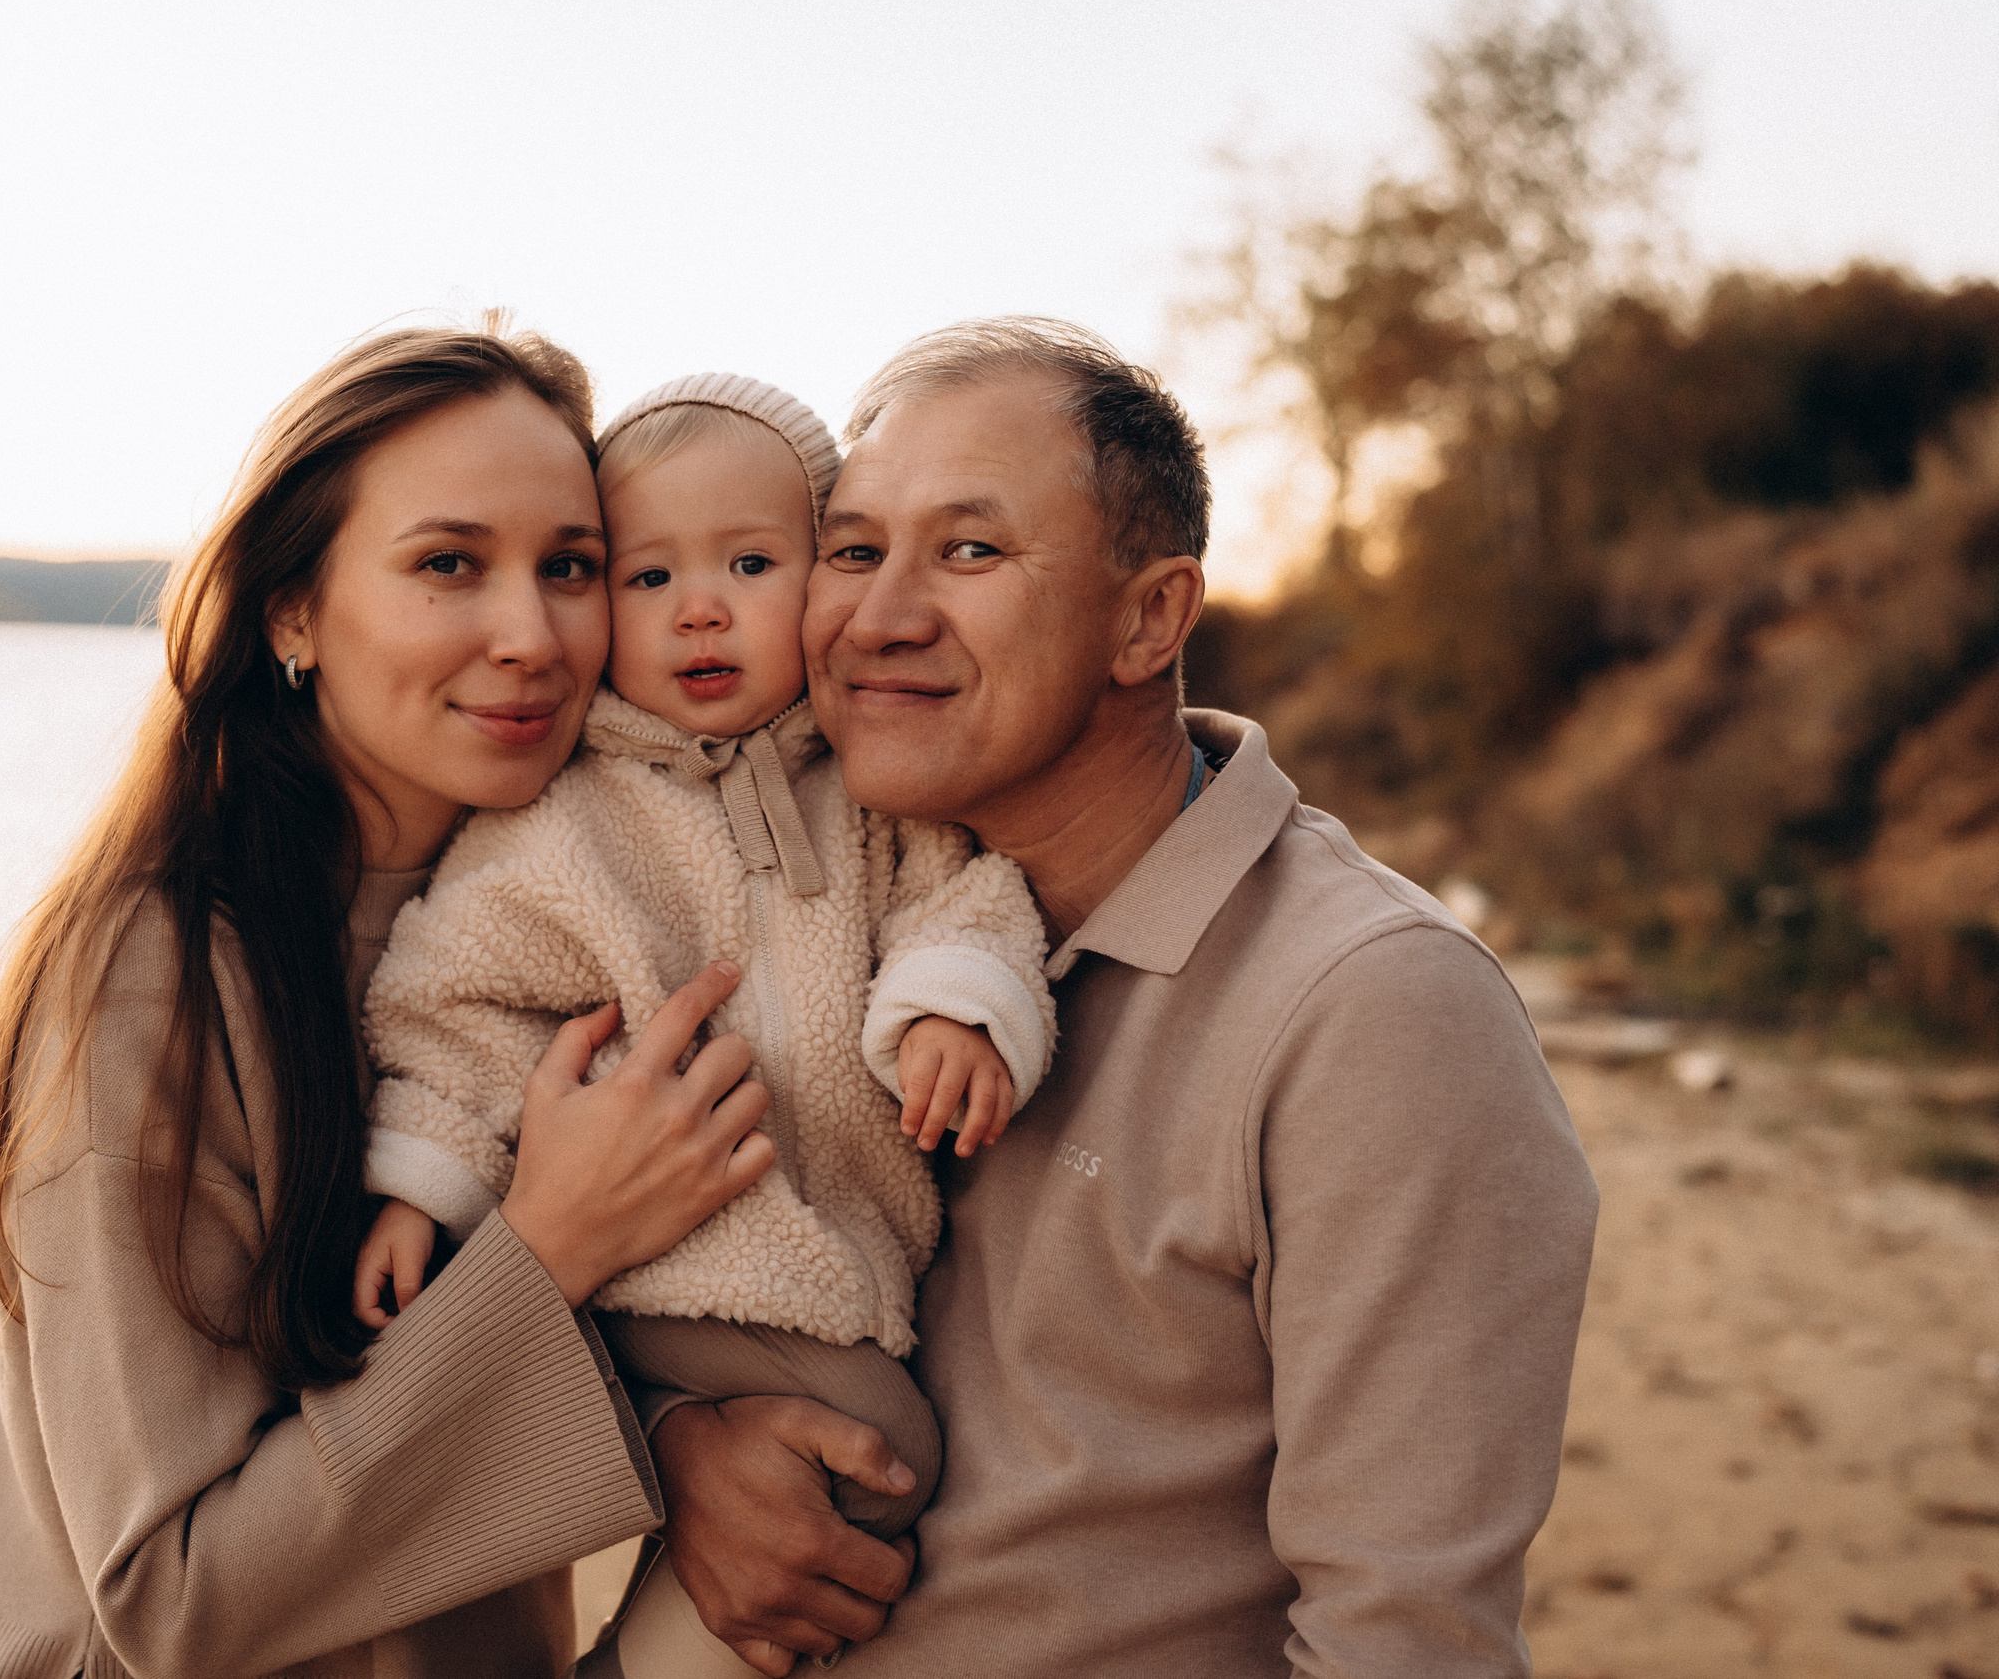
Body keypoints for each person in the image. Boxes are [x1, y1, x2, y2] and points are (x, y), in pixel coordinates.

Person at [645, 319, 1601, 1677]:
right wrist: (683, 1447)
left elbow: (1405, 1640)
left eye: (970, 552)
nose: (877, 616)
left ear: (1149, 618)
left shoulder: (1374, 1009)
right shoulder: (801, 909)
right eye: (853, 550)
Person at [0, 323, 819, 1679]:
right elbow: (173, 1605)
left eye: (569, 568)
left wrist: (685, 1438)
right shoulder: (153, 977)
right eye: (448, 565)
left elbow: (473, 1387)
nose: (529, 636)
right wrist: (549, 1242)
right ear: (294, 610)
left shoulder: (563, 936)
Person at [347, 374, 1055, 1677]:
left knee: (856, 1463)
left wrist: (956, 1002)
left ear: (826, 577)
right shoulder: (562, 823)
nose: (703, 608)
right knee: (877, 1451)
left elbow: (973, 897)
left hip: (829, 1263)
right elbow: (457, 1008)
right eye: (648, 577)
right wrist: (417, 1185)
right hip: (654, 1277)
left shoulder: (868, 788)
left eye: (751, 561)